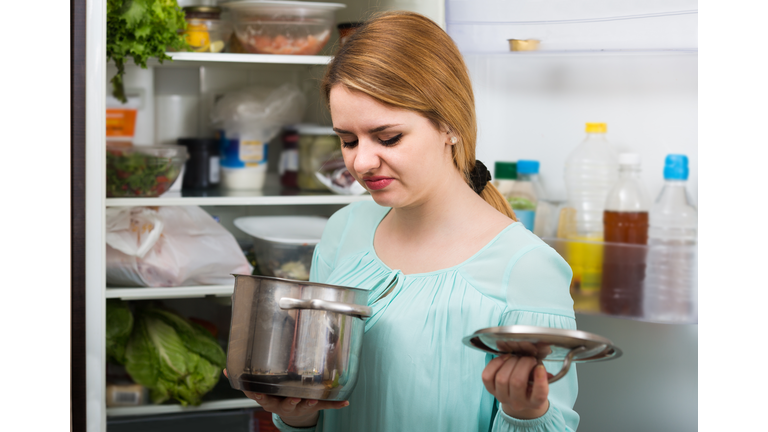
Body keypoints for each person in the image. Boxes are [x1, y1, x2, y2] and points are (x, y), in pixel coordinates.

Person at [237, 10, 579, 432]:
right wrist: (297, 415)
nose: (361, 161)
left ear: (449, 124)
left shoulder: (526, 268)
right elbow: (317, 403)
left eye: (388, 138)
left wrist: (525, 414)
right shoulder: (344, 230)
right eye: (347, 140)